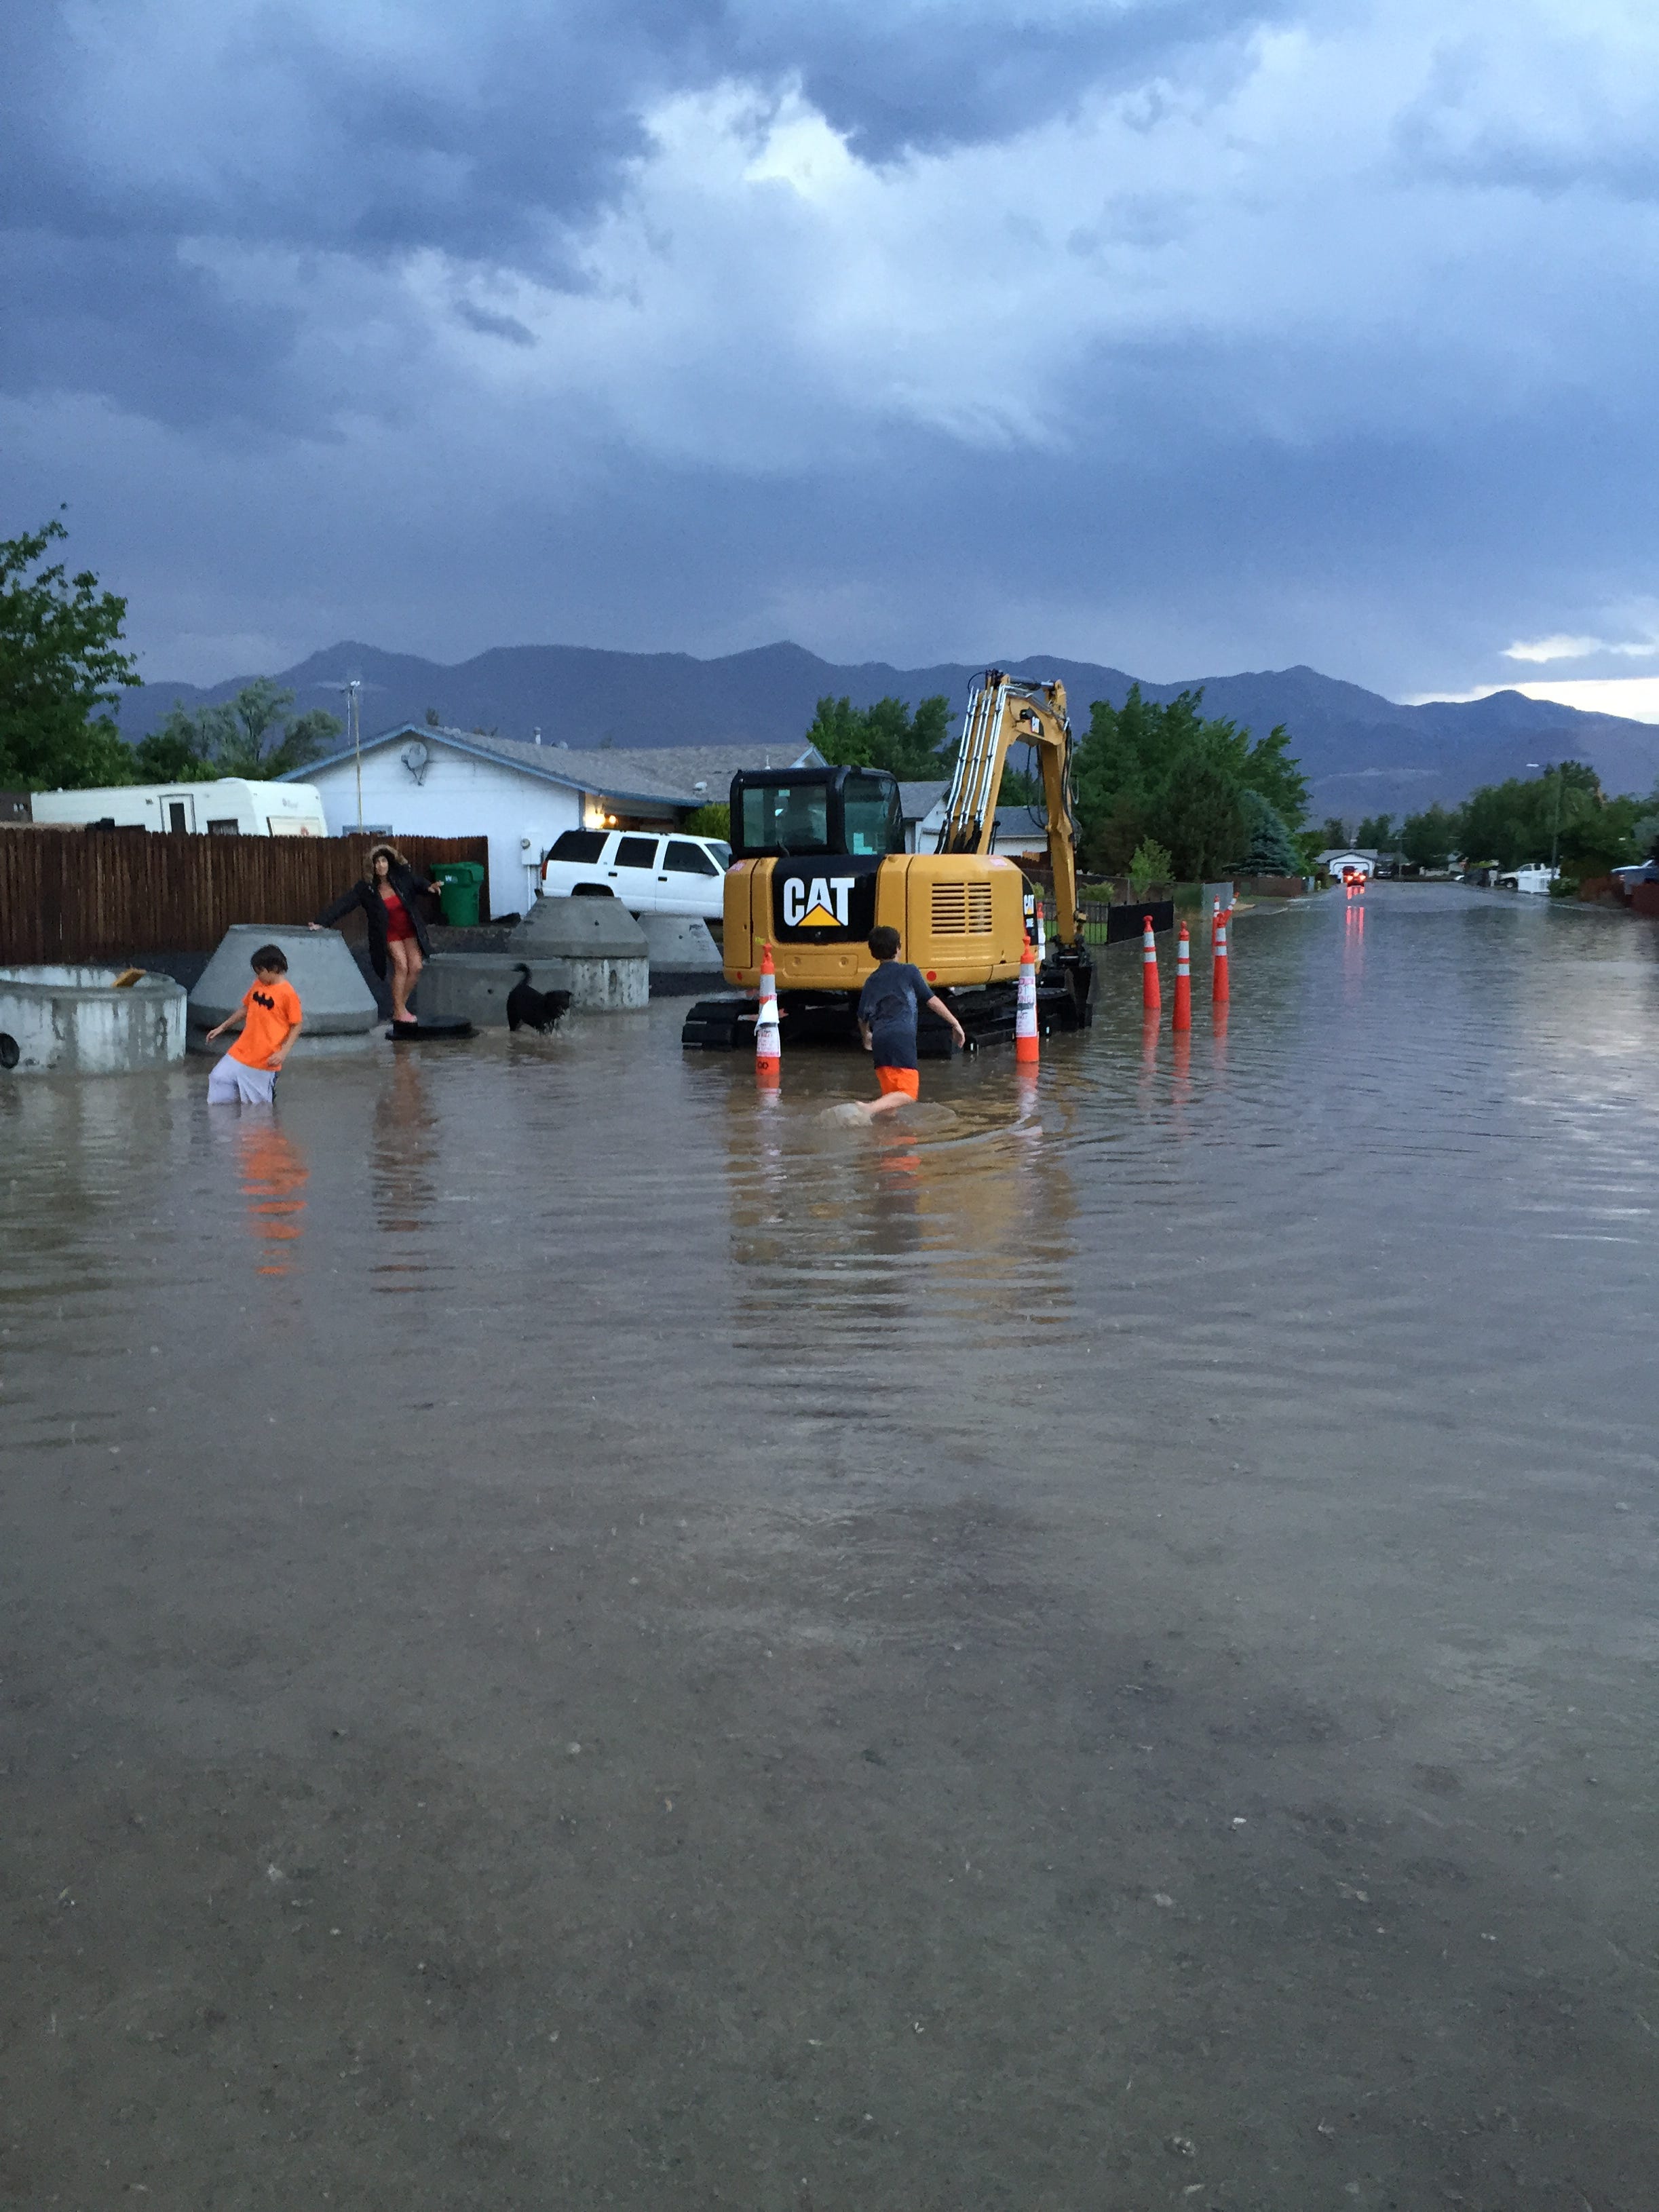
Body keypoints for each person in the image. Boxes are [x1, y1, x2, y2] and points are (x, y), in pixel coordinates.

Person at [313, 843, 440, 1025]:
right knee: (402, 966)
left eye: (383, 861)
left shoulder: (401, 878)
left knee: (416, 966)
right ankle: (400, 1012)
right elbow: (345, 904)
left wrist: (430, 887)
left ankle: (399, 1009)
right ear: (371, 867)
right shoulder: (367, 889)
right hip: (389, 933)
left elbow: (418, 883)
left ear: (389, 862)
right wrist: (322, 921)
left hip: (409, 930)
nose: (380, 866)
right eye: (376, 863)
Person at [849, 925, 965, 1118]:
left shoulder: (871, 981)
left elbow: (862, 1017)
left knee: (890, 1106)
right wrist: (955, 1023)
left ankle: (891, 1144)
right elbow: (932, 1001)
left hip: (880, 1040)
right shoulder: (909, 972)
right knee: (908, 1093)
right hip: (901, 1037)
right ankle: (867, 1109)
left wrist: (866, 1038)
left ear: (873, 952)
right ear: (898, 948)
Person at [204, 943, 302, 1104]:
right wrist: (222, 1027)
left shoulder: (288, 994)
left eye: (260, 971)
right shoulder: (258, 985)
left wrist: (283, 1053)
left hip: (265, 1059)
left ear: (275, 968)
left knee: (259, 1108)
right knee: (218, 1079)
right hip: (242, 1050)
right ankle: (228, 1127)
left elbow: (297, 1025)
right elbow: (246, 1008)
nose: (258, 976)